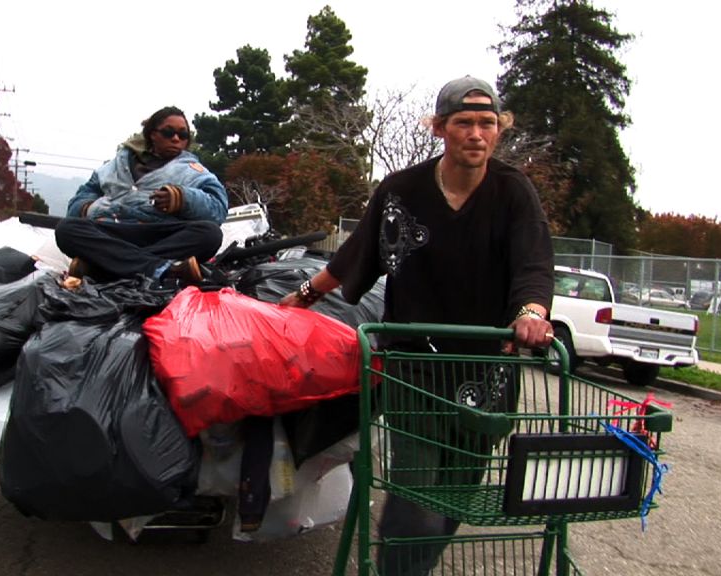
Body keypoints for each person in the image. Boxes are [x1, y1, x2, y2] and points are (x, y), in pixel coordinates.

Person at [280, 76, 555, 575]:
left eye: (487, 124)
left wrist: (531, 313)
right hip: (415, 368)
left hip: (486, 372)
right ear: (438, 129)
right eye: (464, 123)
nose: (476, 134)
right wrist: (305, 295)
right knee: (417, 501)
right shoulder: (401, 191)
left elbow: (533, 263)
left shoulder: (513, 192)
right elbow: (356, 253)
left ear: (499, 131)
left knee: (455, 498)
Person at [55, 106, 228, 285]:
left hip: (160, 233)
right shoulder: (114, 166)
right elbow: (81, 198)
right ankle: (161, 269)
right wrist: (88, 207)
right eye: (169, 132)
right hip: (114, 230)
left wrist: (182, 199)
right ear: (152, 134)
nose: (176, 139)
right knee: (66, 229)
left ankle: (102, 269)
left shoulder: (194, 172)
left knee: (210, 234)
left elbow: (218, 209)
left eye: (182, 135)